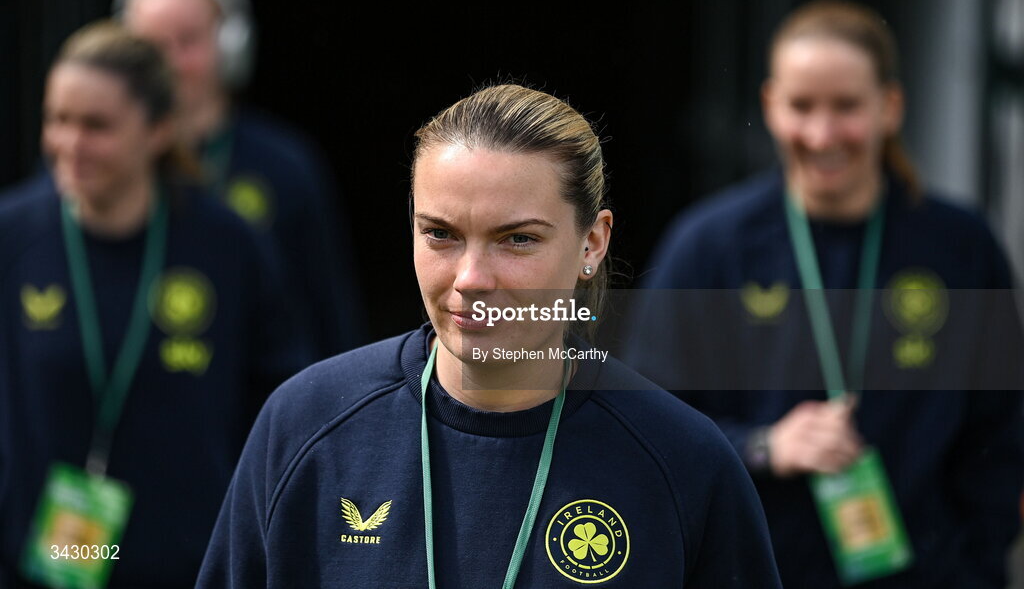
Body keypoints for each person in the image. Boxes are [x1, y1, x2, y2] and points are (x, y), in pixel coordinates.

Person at [196, 84, 782, 587]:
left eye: (518, 239)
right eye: (441, 234)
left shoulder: (684, 462)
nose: (472, 279)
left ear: (592, 243)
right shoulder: (306, 427)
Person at [633, 0, 1024, 588]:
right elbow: (647, 422)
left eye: (846, 107)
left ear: (890, 107)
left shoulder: (960, 246)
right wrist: (763, 445)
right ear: (769, 105)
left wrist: (972, 559)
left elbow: (1003, 428)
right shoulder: (709, 245)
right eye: (801, 106)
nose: (821, 133)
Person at [0, 21, 311, 587]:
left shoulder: (228, 243)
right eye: (57, 120)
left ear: (160, 130)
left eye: (95, 125)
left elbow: (281, 399)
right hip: (38, 566)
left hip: (193, 563)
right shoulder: (12, 236)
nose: (68, 144)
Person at [115, 0, 364, 360]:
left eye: (187, 41)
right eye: (153, 45)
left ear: (231, 45)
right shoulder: (100, 161)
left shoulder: (288, 166)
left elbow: (328, 312)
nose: (170, 63)